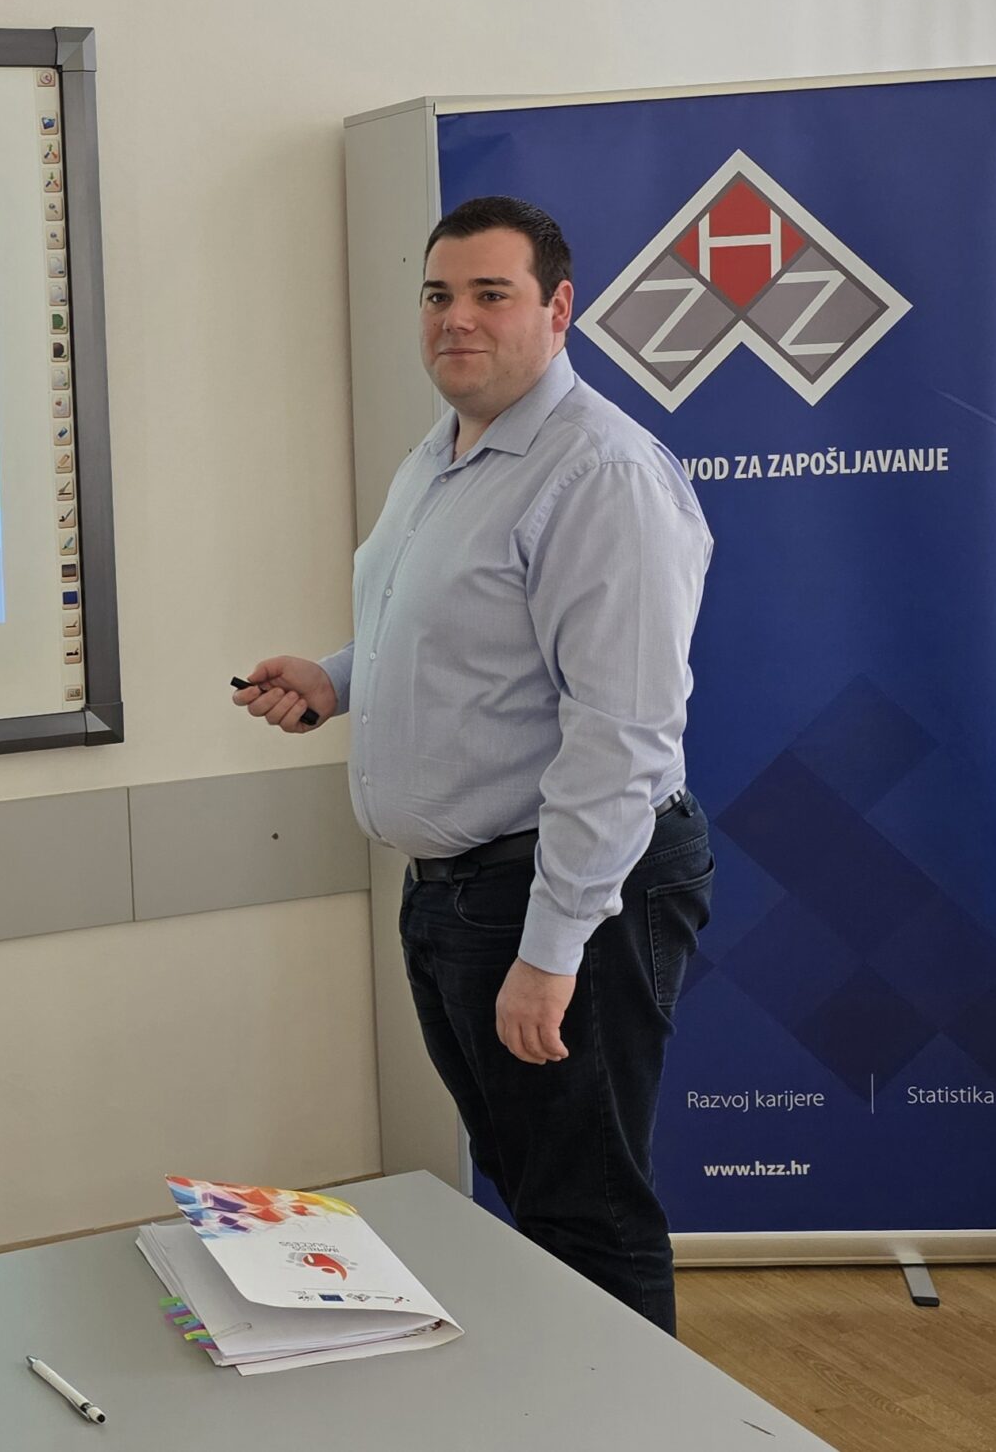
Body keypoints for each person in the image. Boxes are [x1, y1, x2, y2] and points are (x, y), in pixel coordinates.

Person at [236, 195, 714, 1331]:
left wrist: (552, 950)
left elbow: (621, 736)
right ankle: (565, 1400)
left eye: (490, 294)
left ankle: (624, 1413)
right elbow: (451, 634)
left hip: (563, 893)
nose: (456, 318)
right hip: (459, 896)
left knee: (589, 1211)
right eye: (437, 295)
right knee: (533, 1190)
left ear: (558, 309)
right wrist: (337, 678)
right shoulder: (445, 454)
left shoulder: (600, 474)